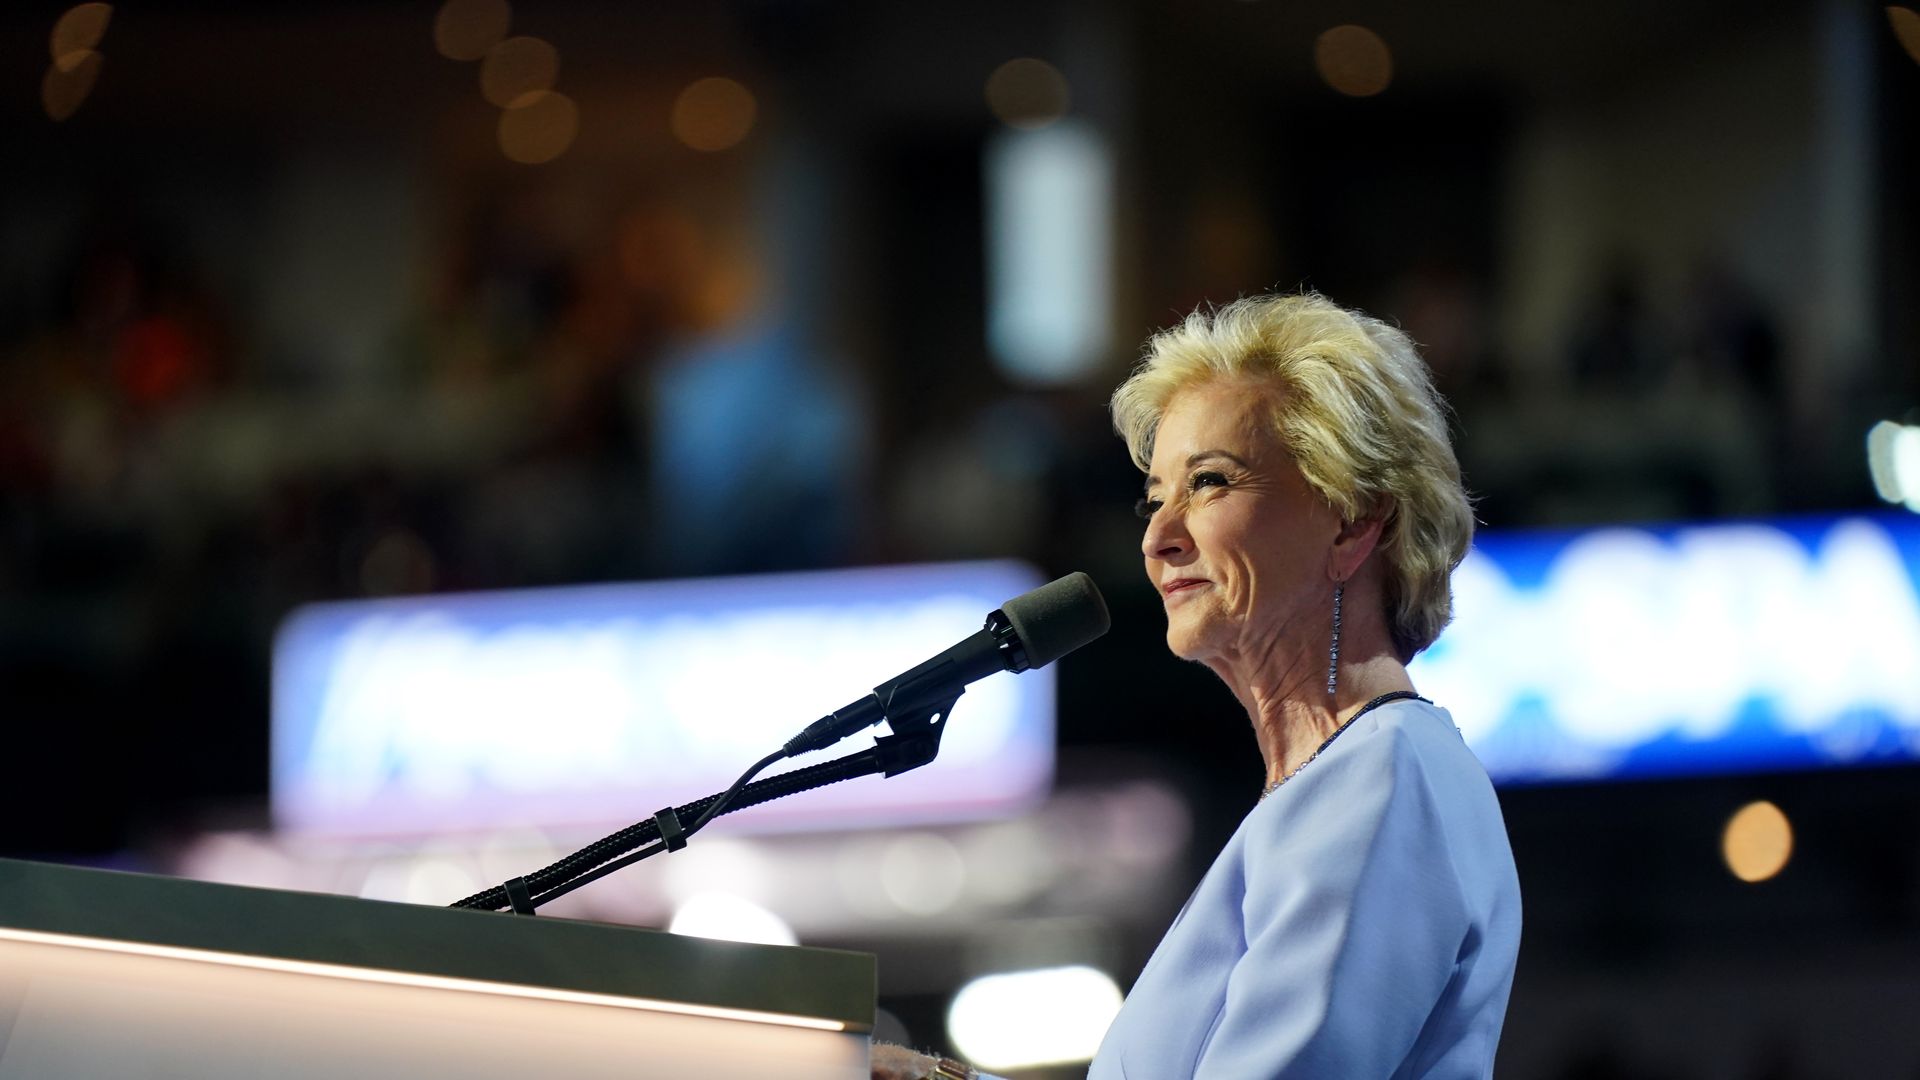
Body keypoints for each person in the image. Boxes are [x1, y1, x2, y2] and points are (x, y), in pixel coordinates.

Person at [873, 293, 1521, 1080]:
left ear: (1354, 523)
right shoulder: (1327, 789)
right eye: (1155, 498)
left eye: (1210, 483)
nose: (1157, 535)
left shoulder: (1386, 779)